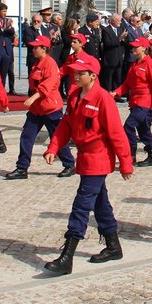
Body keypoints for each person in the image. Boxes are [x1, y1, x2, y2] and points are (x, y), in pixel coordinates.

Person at [42, 53, 133, 275]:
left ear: (92, 76)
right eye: (74, 72)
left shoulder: (103, 98)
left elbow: (116, 133)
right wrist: (53, 147)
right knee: (100, 204)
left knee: (82, 205)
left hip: (99, 158)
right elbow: (66, 125)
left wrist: (126, 162)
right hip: (84, 158)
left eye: (80, 73)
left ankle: (67, 256)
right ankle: (113, 246)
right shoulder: (75, 96)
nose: (75, 76)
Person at [6, 36, 75, 179]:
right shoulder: (37, 63)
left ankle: (69, 164)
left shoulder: (49, 64)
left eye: (35, 47)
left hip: (50, 109)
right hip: (36, 110)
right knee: (26, 136)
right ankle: (22, 168)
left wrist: (32, 98)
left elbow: (47, 86)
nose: (32, 49)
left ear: (44, 48)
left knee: (57, 137)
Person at [114, 36, 152, 167]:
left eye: (136, 47)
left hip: (144, 102)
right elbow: (127, 84)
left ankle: (131, 154)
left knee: (128, 126)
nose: (133, 48)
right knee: (144, 129)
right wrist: (116, 92)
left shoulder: (149, 63)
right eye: (133, 46)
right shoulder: (134, 65)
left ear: (144, 48)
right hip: (134, 101)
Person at [100, 13, 125, 91]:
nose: (120, 22)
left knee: (117, 77)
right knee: (109, 78)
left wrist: (124, 39)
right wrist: (119, 39)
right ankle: (108, 94)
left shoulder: (120, 29)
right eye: (119, 21)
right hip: (110, 58)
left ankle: (116, 94)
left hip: (119, 57)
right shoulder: (106, 30)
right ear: (114, 21)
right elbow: (107, 43)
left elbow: (123, 43)